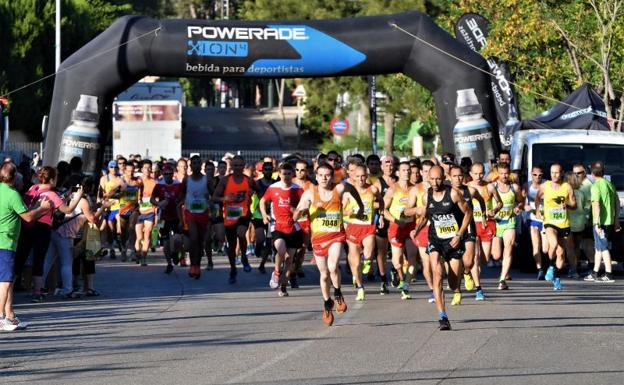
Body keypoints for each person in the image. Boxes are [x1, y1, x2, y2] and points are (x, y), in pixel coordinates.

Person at [14, 166, 84, 302]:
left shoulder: (32, 189)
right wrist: (78, 197)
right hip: (43, 228)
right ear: (52, 179)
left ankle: (8, 287)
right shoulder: (52, 194)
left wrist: (66, 196)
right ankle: (37, 291)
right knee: (38, 259)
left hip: (27, 226)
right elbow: (67, 209)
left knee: (20, 258)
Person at [418, 166, 472, 331]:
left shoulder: (454, 194)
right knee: (437, 276)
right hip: (435, 240)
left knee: (453, 283)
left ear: (444, 178)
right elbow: (426, 215)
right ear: (428, 178)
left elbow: (468, 213)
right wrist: (417, 228)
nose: (435, 182)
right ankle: (443, 317)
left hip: (453, 241)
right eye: (432, 179)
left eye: (438, 179)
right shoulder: (426, 196)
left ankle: (461, 277)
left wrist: (459, 235)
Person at [294, 163, 347, 326]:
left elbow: (352, 190)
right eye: (321, 175)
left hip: (336, 235)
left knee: (333, 267)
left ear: (332, 177)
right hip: (318, 239)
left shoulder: (339, 189)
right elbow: (295, 215)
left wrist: (358, 206)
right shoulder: (309, 193)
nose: (324, 178)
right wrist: (303, 210)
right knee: (324, 274)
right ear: (316, 177)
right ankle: (326, 303)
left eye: (327, 175)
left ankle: (338, 294)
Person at [0, 162, 50, 331]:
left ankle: (10, 315)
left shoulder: (2, 190)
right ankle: (0, 318)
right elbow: (28, 218)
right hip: (5, 242)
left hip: (5, 242)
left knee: (7, 281)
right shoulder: (13, 194)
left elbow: (23, 211)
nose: (23, 184)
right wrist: (43, 209)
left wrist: (36, 207)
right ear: (14, 178)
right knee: (6, 281)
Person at [43, 177, 109, 298]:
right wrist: (103, 207)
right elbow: (92, 219)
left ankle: (39, 287)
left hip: (55, 231)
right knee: (67, 263)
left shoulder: (65, 196)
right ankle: (68, 290)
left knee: (48, 260)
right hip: (66, 234)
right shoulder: (82, 200)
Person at [212, 155, 260, 284]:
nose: (238, 168)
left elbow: (259, 191)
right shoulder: (225, 181)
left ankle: (244, 256)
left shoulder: (248, 180)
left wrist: (252, 194)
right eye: (235, 165)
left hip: (244, 214)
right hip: (229, 216)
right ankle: (233, 269)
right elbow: (214, 198)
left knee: (241, 233)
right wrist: (224, 199)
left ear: (243, 166)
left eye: (240, 165)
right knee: (232, 245)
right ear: (231, 167)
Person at [260, 163, 304, 297]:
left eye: (289, 174)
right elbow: (262, 201)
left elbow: (304, 206)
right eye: (283, 174)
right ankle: (277, 272)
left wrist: (298, 213)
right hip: (277, 225)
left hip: (293, 227)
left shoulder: (298, 189)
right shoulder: (273, 188)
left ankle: (284, 286)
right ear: (279, 174)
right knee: (281, 249)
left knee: (290, 259)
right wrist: (264, 215)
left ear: (293, 175)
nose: (286, 176)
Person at [343, 163, 383, 301]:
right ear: (353, 177)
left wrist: (382, 215)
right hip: (353, 226)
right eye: (358, 176)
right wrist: (349, 211)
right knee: (355, 261)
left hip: (368, 226)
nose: (361, 179)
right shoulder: (348, 192)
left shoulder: (372, 189)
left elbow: (381, 201)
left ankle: (367, 261)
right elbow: (341, 210)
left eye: (363, 176)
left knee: (368, 251)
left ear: (367, 176)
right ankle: (360, 287)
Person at [449, 165, 487, 303]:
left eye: (460, 176)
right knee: (455, 262)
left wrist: (483, 215)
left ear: (464, 177)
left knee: (469, 261)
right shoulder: (448, 192)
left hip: (469, 228)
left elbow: (481, 201)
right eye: (454, 176)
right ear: (449, 177)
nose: (458, 179)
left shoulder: (470, 190)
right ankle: (457, 292)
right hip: (452, 230)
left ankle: (466, 272)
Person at [535, 163, 576, 290]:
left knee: (561, 253)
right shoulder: (545, 186)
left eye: (557, 172)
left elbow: (574, 205)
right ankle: (551, 267)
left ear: (561, 173)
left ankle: (557, 278)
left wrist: (567, 205)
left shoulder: (567, 187)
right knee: (552, 244)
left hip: (563, 223)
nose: (554, 175)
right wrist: (537, 210)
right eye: (552, 172)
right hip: (550, 222)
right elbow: (537, 197)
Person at [383, 161, 418, 300]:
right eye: (404, 170)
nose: (407, 172)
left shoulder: (415, 189)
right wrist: (396, 221)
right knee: (397, 261)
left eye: (409, 170)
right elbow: (383, 210)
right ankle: (400, 276)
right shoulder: (392, 189)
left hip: (410, 227)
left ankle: (406, 286)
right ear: (398, 173)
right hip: (396, 227)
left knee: (412, 256)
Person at [584, 161, 619, 283]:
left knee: (603, 248)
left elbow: (596, 204)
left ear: (592, 173)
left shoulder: (596, 186)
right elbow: (617, 203)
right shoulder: (610, 184)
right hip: (608, 221)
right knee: (598, 248)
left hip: (600, 222)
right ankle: (595, 272)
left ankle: (609, 273)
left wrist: (597, 223)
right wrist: (616, 220)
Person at [491, 163, 523, 290]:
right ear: (497, 173)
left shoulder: (514, 187)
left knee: (508, 248)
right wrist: (489, 211)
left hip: (509, 221)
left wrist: (518, 207)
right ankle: (501, 270)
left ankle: (502, 279)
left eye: (506, 173)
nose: (504, 176)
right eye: (501, 173)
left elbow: (521, 201)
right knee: (496, 255)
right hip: (496, 222)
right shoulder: (493, 186)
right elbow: (486, 201)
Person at [180, 155, 212, 279]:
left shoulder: (207, 179)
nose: (196, 165)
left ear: (201, 165)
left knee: (199, 241)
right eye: (194, 163)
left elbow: (213, 194)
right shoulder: (186, 180)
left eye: (198, 163)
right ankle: (193, 265)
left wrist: (210, 200)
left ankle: (197, 265)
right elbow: (181, 196)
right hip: (190, 213)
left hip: (203, 213)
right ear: (190, 166)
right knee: (193, 238)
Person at [151, 164, 184, 274]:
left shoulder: (178, 185)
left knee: (178, 239)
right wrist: (159, 203)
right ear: (162, 174)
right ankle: (169, 263)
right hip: (162, 217)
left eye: (170, 174)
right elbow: (152, 199)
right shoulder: (159, 185)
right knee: (165, 242)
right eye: (166, 174)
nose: (168, 176)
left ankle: (175, 252)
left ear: (173, 174)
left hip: (176, 215)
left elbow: (183, 198)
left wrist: (179, 203)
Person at [522, 165, 548, 279]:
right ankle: (540, 269)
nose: (537, 177)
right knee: (536, 245)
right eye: (535, 175)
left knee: (545, 248)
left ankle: (548, 266)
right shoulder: (527, 186)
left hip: (546, 218)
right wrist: (524, 206)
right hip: (532, 219)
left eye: (540, 175)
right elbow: (520, 202)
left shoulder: (547, 184)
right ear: (531, 174)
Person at [254, 162, 276, 274]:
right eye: (266, 169)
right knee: (260, 238)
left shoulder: (275, 183)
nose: (268, 171)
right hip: (258, 214)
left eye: (270, 169)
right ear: (262, 171)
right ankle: (257, 249)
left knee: (268, 242)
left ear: (273, 170)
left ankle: (262, 265)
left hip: (271, 214)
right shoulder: (257, 183)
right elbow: (249, 194)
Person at [565, 172, 586, 279]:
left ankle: (572, 269)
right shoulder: (581, 193)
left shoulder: (567, 193)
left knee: (569, 248)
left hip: (569, 223)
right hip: (580, 223)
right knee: (577, 247)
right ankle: (575, 267)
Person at [135, 160, 157, 266]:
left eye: (149, 167)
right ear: (141, 169)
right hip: (138, 212)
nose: (147, 169)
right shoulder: (137, 181)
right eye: (145, 167)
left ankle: (144, 258)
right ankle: (138, 253)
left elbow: (157, 197)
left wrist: (156, 211)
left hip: (150, 211)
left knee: (147, 235)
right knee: (139, 237)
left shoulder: (154, 182)